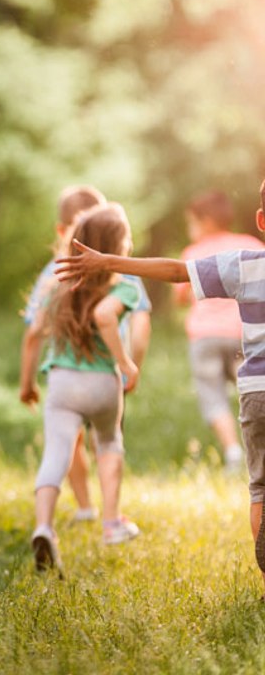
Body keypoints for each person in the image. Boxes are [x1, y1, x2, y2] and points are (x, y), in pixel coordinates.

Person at [56, 179, 265, 593]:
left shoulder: (246, 264)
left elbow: (175, 272)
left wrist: (110, 262)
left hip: (258, 391)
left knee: (260, 486)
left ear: (261, 220)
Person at [20, 203, 141, 574]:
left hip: (61, 383)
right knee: (108, 444)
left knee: (55, 453)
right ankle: (111, 523)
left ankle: (44, 527)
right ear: (117, 246)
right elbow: (105, 315)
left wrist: (26, 383)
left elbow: (33, 334)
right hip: (103, 383)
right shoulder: (125, 283)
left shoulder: (58, 283)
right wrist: (125, 362)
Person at [173, 190, 263, 472]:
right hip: (242, 334)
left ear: (206, 221)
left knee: (213, 395)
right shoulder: (247, 244)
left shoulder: (193, 252)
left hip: (206, 337)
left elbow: (180, 296)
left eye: (192, 223)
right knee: (250, 392)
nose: (190, 231)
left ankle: (233, 451)